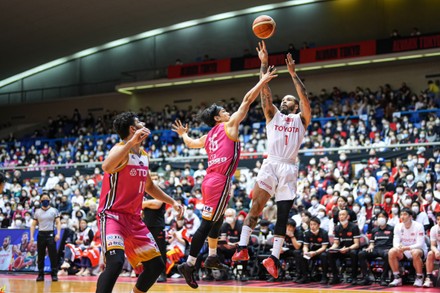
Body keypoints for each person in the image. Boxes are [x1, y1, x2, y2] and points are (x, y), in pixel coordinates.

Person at [172, 62, 278, 289]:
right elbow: (247, 101)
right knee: (206, 224)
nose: (228, 112)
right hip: (219, 181)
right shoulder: (229, 126)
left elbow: (190, 144)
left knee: (217, 219)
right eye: (223, 111)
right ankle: (190, 264)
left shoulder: (207, 136)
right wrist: (262, 80)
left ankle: (212, 256)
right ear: (219, 118)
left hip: (210, 181)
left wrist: (183, 135)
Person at [233, 40, 311, 280]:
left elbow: (305, 97)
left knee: (283, 216)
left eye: (289, 100)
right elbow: (265, 94)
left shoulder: (302, 119)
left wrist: (293, 75)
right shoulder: (273, 115)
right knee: (255, 206)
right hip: (271, 163)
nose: (284, 101)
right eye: (284, 100)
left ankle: (274, 258)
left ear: (295, 105)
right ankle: (243, 247)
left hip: (288, 166)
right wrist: (264, 64)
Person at [96, 112, 184, 293]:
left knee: (156, 266)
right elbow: (106, 166)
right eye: (139, 122)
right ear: (132, 129)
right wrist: (131, 142)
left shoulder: (143, 155)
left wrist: (172, 201)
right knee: (116, 263)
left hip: (134, 219)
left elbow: (149, 186)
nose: (144, 123)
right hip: (112, 216)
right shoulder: (120, 149)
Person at [388, 208, 427, 287]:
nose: (402, 216)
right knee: (391, 252)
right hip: (404, 250)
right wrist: (399, 247)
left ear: (410, 217)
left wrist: (407, 248)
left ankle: (419, 277)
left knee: (415, 252)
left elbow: (420, 243)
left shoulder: (419, 226)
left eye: (405, 214)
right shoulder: (398, 226)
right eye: (401, 215)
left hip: (419, 249)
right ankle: (397, 278)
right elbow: (395, 242)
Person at [356, 210, 393, 286]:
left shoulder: (392, 229)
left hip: (386, 249)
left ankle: (383, 277)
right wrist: (370, 247)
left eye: (383, 216)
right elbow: (372, 243)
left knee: (388, 255)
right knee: (361, 253)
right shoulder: (374, 230)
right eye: (379, 217)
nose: (381, 218)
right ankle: (366, 277)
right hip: (376, 249)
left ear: (387, 218)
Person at [30, 192, 61, 282]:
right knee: (40, 255)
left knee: (53, 255)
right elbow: (33, 225)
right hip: (41, 234)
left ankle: (54, 274)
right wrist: (31, 237)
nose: (45, 200)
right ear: (40, 201)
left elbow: (58, 222)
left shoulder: (54, 211)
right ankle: (40, 275)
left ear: (49, 200)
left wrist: (58, 233)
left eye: (47, 198)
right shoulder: (37, 212)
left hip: (51, 234)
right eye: (43, 199)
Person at [327, 209, 360, 284]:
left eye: (343, 214)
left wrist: (348, 248)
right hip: (341, 249)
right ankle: (335, 277)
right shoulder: (337, 228)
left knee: (354, 253)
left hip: (351, 248)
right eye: (340, 215)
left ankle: (354, 277)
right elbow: (336, 243)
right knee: (329, 253)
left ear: (348, 217)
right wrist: (331, 248)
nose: (341, 216)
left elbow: (357, 244)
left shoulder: (354, 227)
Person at [142, 191, 167, 283]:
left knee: (160, 251)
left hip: (158, 226)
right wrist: (148, 204)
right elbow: (139, 206)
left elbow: (157, 204)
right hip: (146, 226)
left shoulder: (160, 193)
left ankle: (162, 274)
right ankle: (147, 272)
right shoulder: (144, 194)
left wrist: (144, 204)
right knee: (147, 250)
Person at [300, 216, 329, 284]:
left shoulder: (324, 233)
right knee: (302, 255)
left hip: (321, 252)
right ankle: (305, 276)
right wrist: (306, 252)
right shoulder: (307, 233)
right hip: (312, 252)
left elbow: (324, 247)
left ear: (318, 225)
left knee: (324, 256)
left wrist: (315, 252)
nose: (312, 226)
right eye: (311, 224)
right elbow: (305, 246)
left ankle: (324, 277)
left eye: (314, 224)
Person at [423, 212, 440, 288]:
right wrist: (436, 251)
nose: (439, 221)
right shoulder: (434, 228)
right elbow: (432, 245)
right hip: (438, 251)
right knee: (430, 253)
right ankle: (429, 278)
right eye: (438, 219)